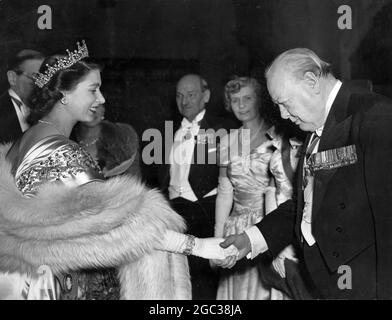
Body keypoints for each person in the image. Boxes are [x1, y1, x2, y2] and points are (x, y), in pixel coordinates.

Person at [0, 41, 237, 300]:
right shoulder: (64, 152)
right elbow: (122, 226)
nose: (101, 99)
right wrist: (198, 246)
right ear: (65, 94)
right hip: (52, 286)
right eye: (93, 90)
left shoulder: (28, 139)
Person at [220, 48, 392, 299]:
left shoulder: (375, 117)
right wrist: (251, 238)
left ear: (312, 82)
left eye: (284, 103)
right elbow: (306, 206)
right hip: (326, 282)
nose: (282, 115)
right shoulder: (315, 126)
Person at [211, 76, 301, 300]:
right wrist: (216, 238)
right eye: (234, 100)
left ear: (259, 100)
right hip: (236, 226)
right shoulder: (227, 141)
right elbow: (224, 193)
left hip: (269, 223)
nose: (240, 105)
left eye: (247, 98)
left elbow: (286, 189)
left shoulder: (279, 137)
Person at [158, 74, 237, 299]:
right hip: (173, 214)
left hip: (205, 213)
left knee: (203, 287)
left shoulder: (224, 129)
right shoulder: (166, 130)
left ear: (206, 96)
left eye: (191, 95)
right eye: (179, 95)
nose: (184, 101)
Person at [72, 103, 141, 179]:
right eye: (88, 104)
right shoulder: (64, 138)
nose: (93, 110)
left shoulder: (123, 136)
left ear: (104, 109)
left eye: (98, 105)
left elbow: (135, 181)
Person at [0, 49, 44, 143]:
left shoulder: (45, 108)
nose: (41, 86)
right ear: (12, 78)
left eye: (45, 80)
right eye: (35, 78)